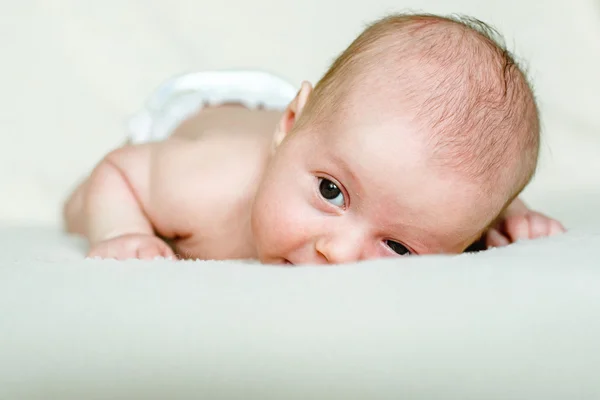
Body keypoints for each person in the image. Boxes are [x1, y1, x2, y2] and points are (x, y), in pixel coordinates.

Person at [63, 13, 566, 264]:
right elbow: (119, 169)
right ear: (289, 124)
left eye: (396, 246)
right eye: (331, 192)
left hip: (322, 126)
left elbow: (443, 207)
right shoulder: (207, 185)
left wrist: (508, 216)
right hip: (206, 116)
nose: (339, 253)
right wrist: (119, 232)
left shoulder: (409, 193)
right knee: (82, 201)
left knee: (412, 170)